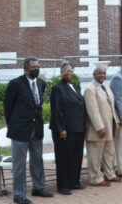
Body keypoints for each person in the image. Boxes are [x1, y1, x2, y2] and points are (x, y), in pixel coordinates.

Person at [4, 57, 54, 204]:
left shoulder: (41, 83)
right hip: (20, 130)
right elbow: (8, 106)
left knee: (37, 160)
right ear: (25, 69)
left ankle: (38, 188)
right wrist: (13, 124)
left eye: (38, 66)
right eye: (33, 67)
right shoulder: (15, 84)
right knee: (19, 164)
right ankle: (19, 195)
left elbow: (37, 106)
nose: (36, 69)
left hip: (36, 128)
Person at [50, 63, 86, 195]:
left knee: (76, 157)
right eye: (66, 71)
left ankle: (74, 182)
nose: (69, 72)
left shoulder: (76, 87)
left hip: (78, 128)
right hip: (65, 131)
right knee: (64, 157)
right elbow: (57, 110)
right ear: (61, 73)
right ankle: (63, 185)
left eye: (71, 70)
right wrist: (61, 129)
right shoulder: (57, 88)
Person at [84, 65, 122, 186]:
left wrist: (117, 120)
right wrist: (99, 127)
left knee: (109, 152)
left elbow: (111, 105)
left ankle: (109, 174)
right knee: (95, 154)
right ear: (94, 74)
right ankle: (95, 178)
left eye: (104, 73)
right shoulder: (90, 89)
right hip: (98, 129)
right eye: (100, 73)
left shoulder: (106, 87)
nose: (102, 75)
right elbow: (92, 110)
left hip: (110, 126)